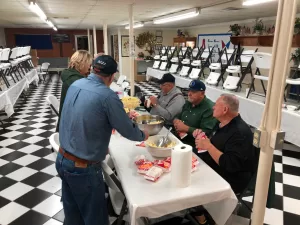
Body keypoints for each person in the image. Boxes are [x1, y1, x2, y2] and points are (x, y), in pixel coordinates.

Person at [56, 55, 148, 225]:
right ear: (112, 76)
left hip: (62, 159)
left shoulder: (76, 84)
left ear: (92, 69)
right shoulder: (107, 96)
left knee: (73, 215)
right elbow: (128, 131)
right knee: (95, 219)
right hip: (82, 168)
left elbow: (80, 118)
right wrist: (144, 135)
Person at [191, 94, 256, 225]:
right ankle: (196, 210)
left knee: (190, 181)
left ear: (225, 110)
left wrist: (208, 146)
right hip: (214, 167)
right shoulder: (223, 123)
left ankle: (202, 214)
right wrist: (203, 138)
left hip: (230, 178)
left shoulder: (239, 132)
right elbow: (216, 142)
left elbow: (230, 164)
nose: (213, 107)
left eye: (216, 104)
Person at [173, 80, 217, 148]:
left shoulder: (209, 108)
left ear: (202, 93)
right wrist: (176, 121)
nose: (189, 94)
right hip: (179, 138)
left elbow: (207, 132)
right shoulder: (189, 102)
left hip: (194, 145)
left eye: (193, 92)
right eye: (189, 91)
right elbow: (179, 116)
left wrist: (186, 128)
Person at [56, 50, 92, 131]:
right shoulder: (76, 81)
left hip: (66, 122)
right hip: (72, 128)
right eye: (89, 64)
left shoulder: (70, 75)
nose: (90, 67)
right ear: (82, 63)